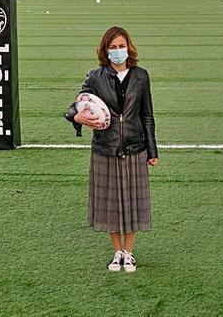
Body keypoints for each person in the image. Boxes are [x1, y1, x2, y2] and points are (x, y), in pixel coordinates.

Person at [65, 26, 158, 273]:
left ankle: (129, 252)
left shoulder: (141, 76)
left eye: (121, 46)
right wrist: (78, 119)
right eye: (113, 47)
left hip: (135, 147)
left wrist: (152, 150)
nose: (118, 51)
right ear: (106, 51)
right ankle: (117, 251)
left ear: (129, 47)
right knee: (111, 203)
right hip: (105, 149)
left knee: (133, 201)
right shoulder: (95, 77)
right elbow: (74, 107)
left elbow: (147, 115)